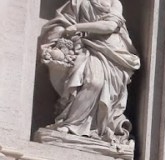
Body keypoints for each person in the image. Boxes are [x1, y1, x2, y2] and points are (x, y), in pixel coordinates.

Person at [38, 0, 141, 146]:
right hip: (86, 47)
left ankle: (92, 128)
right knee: (92, 81)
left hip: (112, 52)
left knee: (97, 83)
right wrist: (63, 33)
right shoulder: (78, 1)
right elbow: (62, 22)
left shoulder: (115, 2)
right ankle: (72, 124)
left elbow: (110, 26)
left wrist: (77, 27)